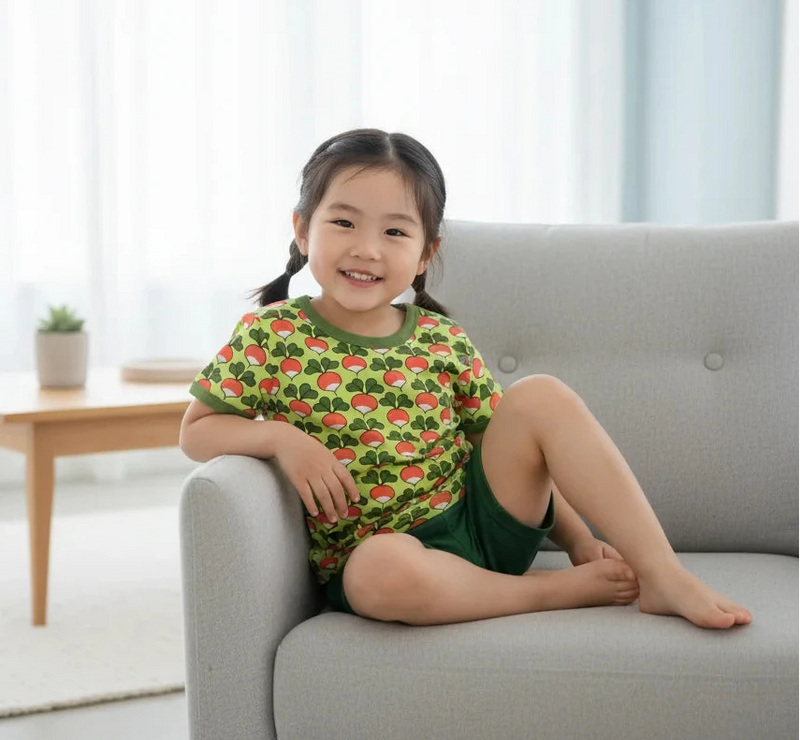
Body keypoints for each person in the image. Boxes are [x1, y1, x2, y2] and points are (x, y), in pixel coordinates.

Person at [179, 128, 752, 630]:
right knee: (379, 570)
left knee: (541, 397)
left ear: (426, 253)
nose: (366, 249)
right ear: (303, 231)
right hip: (383, 557)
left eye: (395, 233)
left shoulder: (440, 338)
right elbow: (196, 432)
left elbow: (511, 449)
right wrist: (280, 438)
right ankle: (547, 593)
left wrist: (580, 541)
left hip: (483, 528)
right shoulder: (273, 333)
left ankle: (664, 574)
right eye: (344, 223)